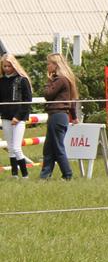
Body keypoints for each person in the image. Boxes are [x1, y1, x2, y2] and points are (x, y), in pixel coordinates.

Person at [40, 52, 79, 181]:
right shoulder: (65, 80)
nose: (47, 66)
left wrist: (48, 81)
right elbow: (71, 100)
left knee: (57, 146)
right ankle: (45, 175)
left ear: (55, 65)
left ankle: (67, 174)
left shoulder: (60, 80)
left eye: (49, 64)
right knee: (49, 148)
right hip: (59, 116)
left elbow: (48, 94)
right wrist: (74, 116)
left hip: (57, 115)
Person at [1, 54, 34, 179]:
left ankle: (25, 175)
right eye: (4, 66)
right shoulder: (2, 81)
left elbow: (27, 101)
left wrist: (18, 117)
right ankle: (14, 174)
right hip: (5, 117)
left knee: (16, 148)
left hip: (19, 118)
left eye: (9, 66)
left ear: (14, 65)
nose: (7, 68)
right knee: (10, 148)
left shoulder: (22, 80)